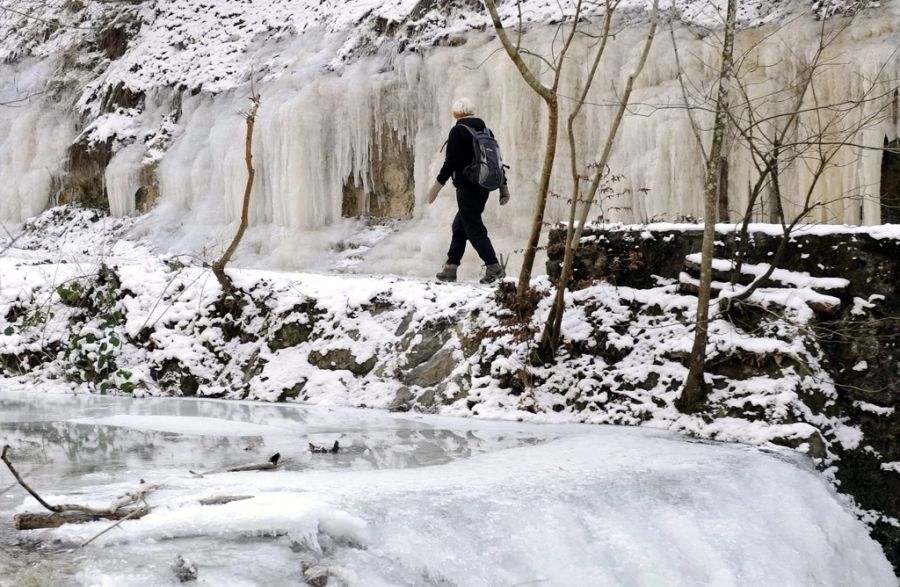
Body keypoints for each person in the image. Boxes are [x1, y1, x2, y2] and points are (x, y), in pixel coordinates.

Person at [427, 98, 510, 284]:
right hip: (484, 186)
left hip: (467, 187)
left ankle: (493, 266)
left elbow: (451, 162)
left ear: (456, 113)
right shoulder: (486, 131)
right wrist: (503, 186)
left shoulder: (458, 131)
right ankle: (451, 266)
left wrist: (437, 185)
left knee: (473, 227)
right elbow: (497, 161)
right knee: (460, 225)